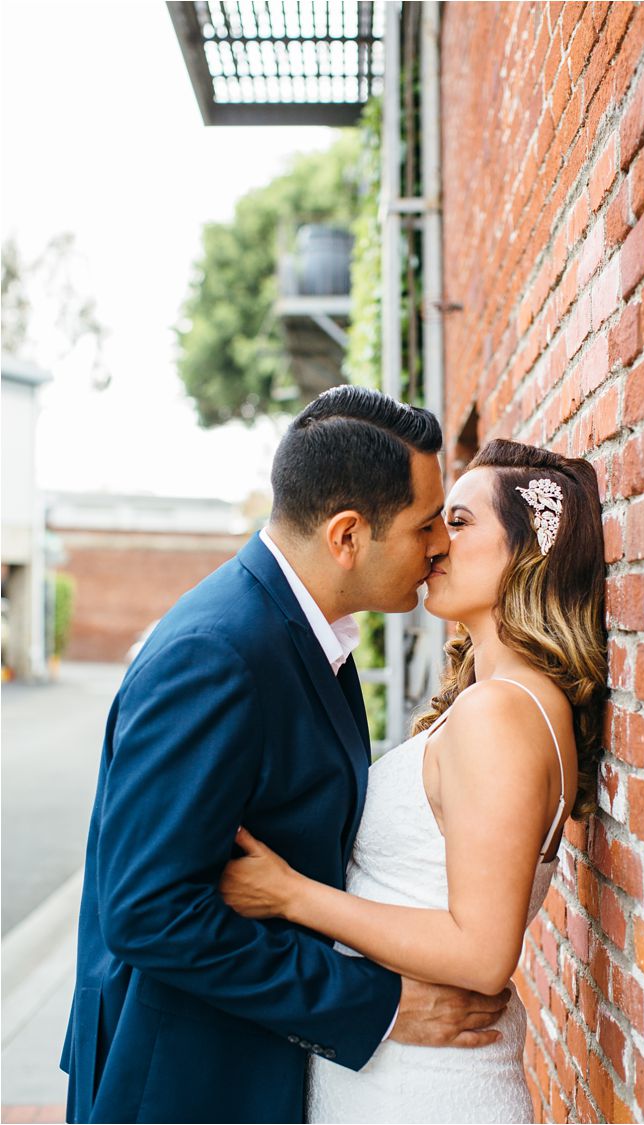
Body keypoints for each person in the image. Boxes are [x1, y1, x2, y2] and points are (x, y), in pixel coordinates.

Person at [62, 387, 510, 1124]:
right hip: (186, 1082)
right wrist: (376, 1004)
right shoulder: (219, 654)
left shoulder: (307, 635)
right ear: (346, 536)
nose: (439, 545)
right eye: (425, 523)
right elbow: (149, 911)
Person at [217, 437, 608, 1124]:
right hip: (402, 1071)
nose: (433, 545)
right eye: (433, 523)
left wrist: (290, 895)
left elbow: (483, 953)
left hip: (425, 1087)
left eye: (458, 522)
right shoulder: (504, 700)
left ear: (528, 552)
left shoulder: (501, 713)